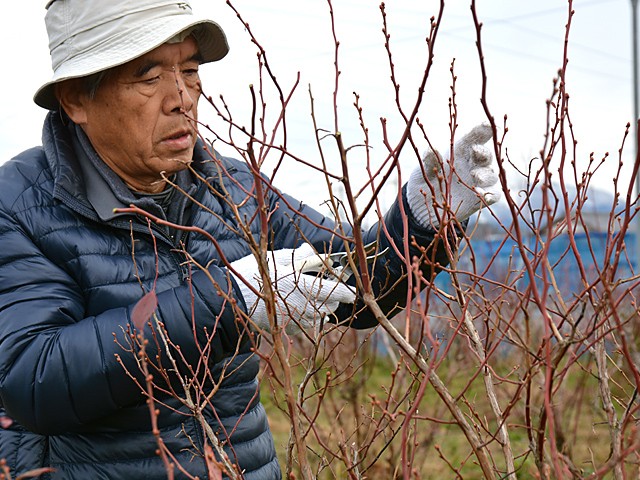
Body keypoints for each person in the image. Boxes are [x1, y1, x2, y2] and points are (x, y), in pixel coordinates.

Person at [0, 1, 501, 479]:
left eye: (191, 71)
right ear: (75, 99)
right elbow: (33, 379)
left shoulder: (232, 187)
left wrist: (424, 221)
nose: (181, 97)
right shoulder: (21, 206)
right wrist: (230, 300)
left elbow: (356, 287)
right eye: (149, 77)